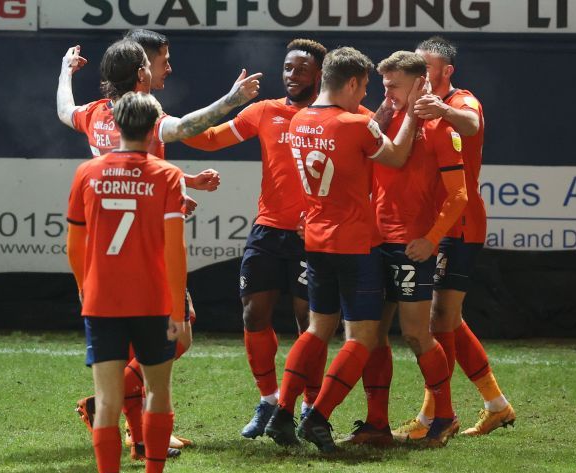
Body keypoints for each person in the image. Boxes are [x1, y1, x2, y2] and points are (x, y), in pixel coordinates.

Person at [57, 37, 261, 453]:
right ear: (140, 72)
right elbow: (187, 128)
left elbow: (71, 116)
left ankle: (141, 436)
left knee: (141, 344)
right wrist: (232, 99)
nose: (165, 69)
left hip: (104, 251)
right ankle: (108, 408)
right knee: (176, 337)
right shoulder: (147, 117)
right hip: (146, 247)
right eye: (160, 63)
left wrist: (64, 70)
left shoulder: (95, 115)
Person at [263, 46, 423, 452]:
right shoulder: (355, 124)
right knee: (363, 337)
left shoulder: (298, 120)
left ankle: (283, 413)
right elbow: (398, 155)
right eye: (364, 87)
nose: (365, 96)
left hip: (315, 240)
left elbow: (363, 131)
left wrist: (380, 116)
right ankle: (317, 417)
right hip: (355, 243)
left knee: (318, 329)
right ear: (350, 82)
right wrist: (415, 114)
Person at [183, 38, 328, 439]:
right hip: (267, 230)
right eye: (287, 68)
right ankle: (268, 400)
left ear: (319, 74)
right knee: (253, 314)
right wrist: (166, 122)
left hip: (314, 236)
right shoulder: (265, 111)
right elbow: (208, 138)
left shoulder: (340, 115)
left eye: (301, 69)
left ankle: (308, 407)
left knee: (309, 323)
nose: (291, 75)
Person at [66, 92, 188, 473]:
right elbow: (175, 249)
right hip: (152, 301)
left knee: (108, 402)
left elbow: (74, 246)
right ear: (154, 128)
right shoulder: (168, 176)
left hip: (102, 301)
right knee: (157, 393)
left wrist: (86, 289)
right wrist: (177, 307)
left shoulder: (87, 173)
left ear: (115, 125)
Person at [391, 36, 515, 441]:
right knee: (446, 318)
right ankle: (494, 404)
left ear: (446, 72)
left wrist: (440, 108)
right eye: (416, 68)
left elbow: (473, 123)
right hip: (427, 224)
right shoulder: (408, 108)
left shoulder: (461, 102)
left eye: (427, 69)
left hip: (457, 223)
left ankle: (436, 415)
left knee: (439, 318)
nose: (420, 76)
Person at [344, 51, 468, 449]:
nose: (387, 93)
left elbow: (460, 195)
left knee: (417, 334)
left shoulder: (438, 127)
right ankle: (376, 423)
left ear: (419, 83)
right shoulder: (382, 123)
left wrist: (431, 238)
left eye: (394, 86)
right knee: (373, 335)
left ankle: (444, 416)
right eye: (383, 86)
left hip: (412, 246)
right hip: (374, 243)